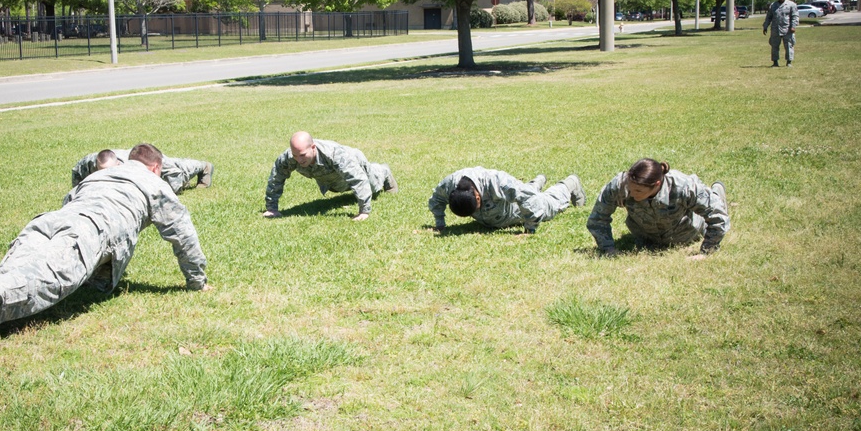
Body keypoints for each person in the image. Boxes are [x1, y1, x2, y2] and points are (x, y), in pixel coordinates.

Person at [0, 144, 210, 354]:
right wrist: (197, 282)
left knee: (15, 267)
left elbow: (80, 169)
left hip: (52, 219)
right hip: (89, 230)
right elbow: (183, 236)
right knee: (45, 279)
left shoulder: (99, 175)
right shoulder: (154, 184)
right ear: (156, 168)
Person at [587, 159, 729, 258]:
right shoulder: (621, 185)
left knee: (714, 203)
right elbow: (598, 218)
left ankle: (717, 193)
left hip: (687, 234)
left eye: (638, 191)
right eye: (630, 188)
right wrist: (608, 249)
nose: (631, 193)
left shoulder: (683, 186)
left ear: (657, 184)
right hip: (646, 238)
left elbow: (718, 217)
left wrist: (707, 251)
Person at [263, 131, 397, 222]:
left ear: (313, 147)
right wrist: (272, 208)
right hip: (332, 179)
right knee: (339, 188)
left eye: (303, 155)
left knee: (373, 186)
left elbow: (358, 179)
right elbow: (276, 179)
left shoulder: (335, 154)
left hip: (356, 165)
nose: (299, 160)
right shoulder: (289, 157)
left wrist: (364, 211)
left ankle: (384, 171)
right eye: (295, 155)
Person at [429, 168, 586, 233]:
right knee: (522, 190)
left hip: (516, 211)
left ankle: (569, 184)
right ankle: (536, 183)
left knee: (547, 205)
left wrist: (529, 229)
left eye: (476, 207)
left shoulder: (496, 182)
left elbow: (526, 198)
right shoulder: (449, 185)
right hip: (510, 199)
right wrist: (440, 224)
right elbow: (436, 200)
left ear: (478, 196)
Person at [71, 148, 213, 194]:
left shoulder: (133, 164)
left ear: (118, 164)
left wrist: (174, 188)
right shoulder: (88, 163)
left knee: (178, 171)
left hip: (152, 161)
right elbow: (77, 178)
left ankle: (204, 167)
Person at [762, 0, 799, 67]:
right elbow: (769, 17)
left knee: (789, 46)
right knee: (774, 46)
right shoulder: (773, 5)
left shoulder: (791, 5)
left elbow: (795, 16)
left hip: (787, 29)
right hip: (775, 29)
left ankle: (789, 62)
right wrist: (765, 26)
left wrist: (793, 26)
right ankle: (775, 62)